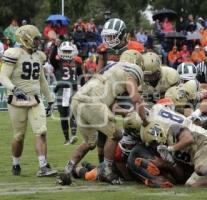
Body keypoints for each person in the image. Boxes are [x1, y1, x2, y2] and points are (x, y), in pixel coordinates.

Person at [63, 50, 148, 184]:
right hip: (93, 101)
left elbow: (111, 104)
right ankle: (107, 170)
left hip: (78, 99)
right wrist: (145, 120)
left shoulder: (111, 69)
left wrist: (125, 112)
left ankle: (67, 169)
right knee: (116, 134)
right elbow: (136, 97)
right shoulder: (132, 70)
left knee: (90, 142)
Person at [0, 25, 57, 176]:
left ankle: (43, 166)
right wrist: (14, 89)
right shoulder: (14, 53)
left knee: (41, 131)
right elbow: (3, 76)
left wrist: (50, 100)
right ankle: (16, 163)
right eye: (36, 39)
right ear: (26, 39)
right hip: (17, 100)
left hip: (35, 99)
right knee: (19, 136)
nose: (39, 42)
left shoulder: (39, 56)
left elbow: (42, 80)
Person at [49, 41, 84, 145]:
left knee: (73, 113)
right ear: (60, 51)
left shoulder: (77, 62)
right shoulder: (57, 63)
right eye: (65, 51)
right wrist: (55, 46)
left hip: (73, 90)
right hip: (61, 90)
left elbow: (81, 78)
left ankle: (73, 136)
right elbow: (51, 58)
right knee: (63, 115)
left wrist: (84, 88)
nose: (67, 53)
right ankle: (66, 138)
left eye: (69, 51)